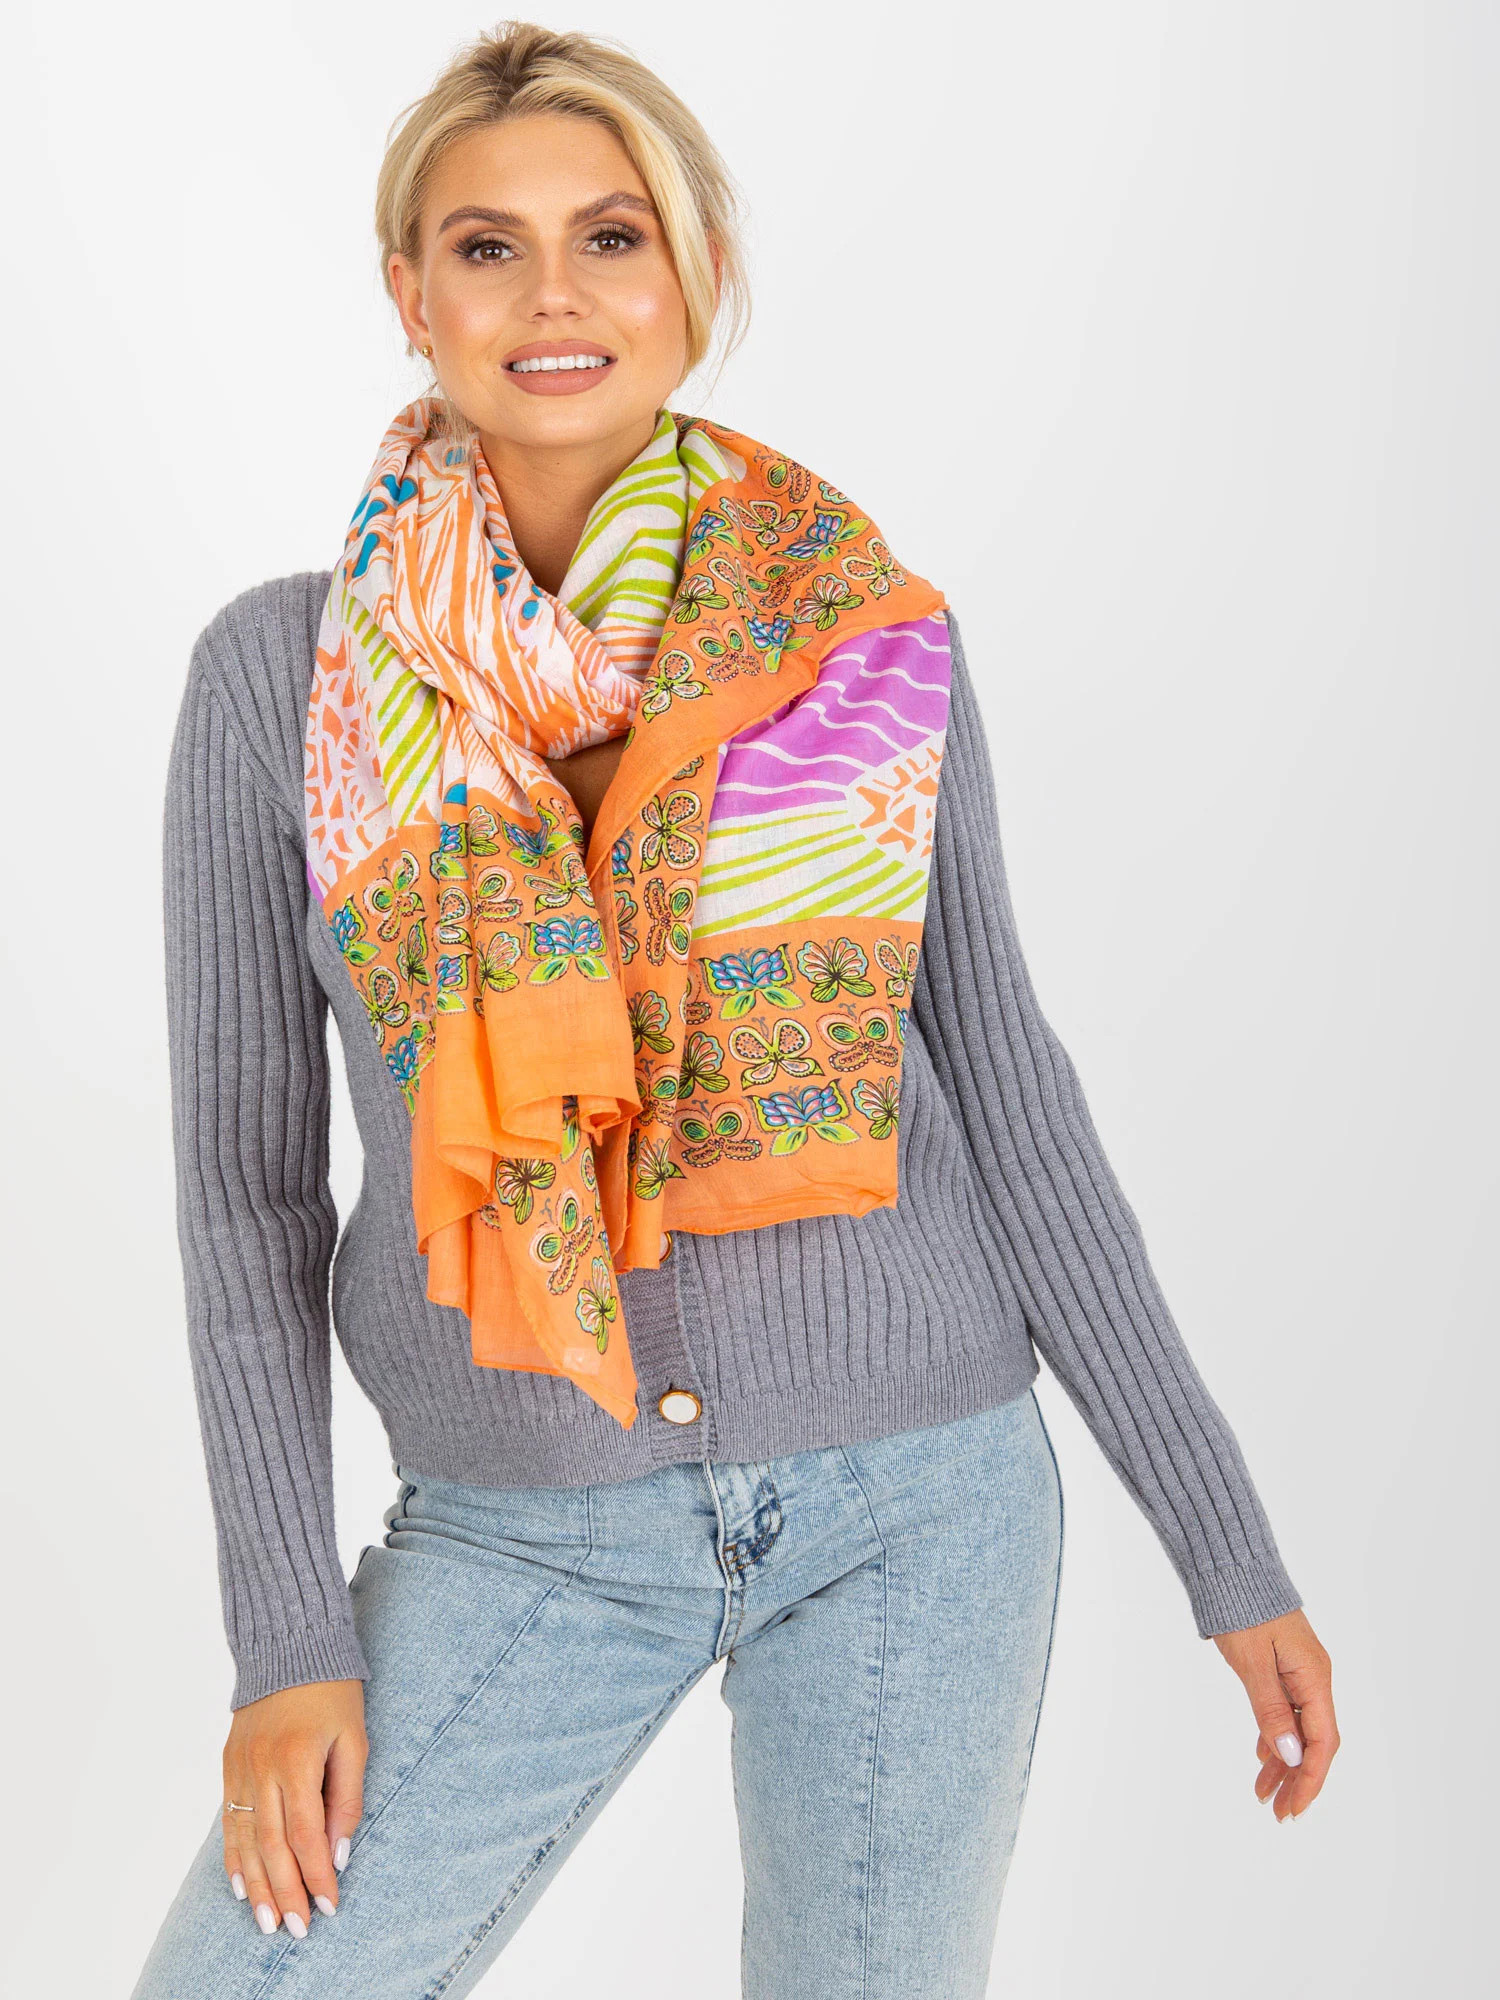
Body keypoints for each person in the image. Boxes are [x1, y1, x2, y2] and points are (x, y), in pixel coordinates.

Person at [131, 22, 1338, 2000]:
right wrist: (286, 1645)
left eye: (611, 236)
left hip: (919, 1496)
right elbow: (243, 1197)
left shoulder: (862, 635)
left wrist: (1226, 1543)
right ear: (411, 293)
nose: (556, 295)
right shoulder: (285, 677)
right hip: (521, 1524)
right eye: (489, 245)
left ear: (697, 275)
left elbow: (1011, 1093)